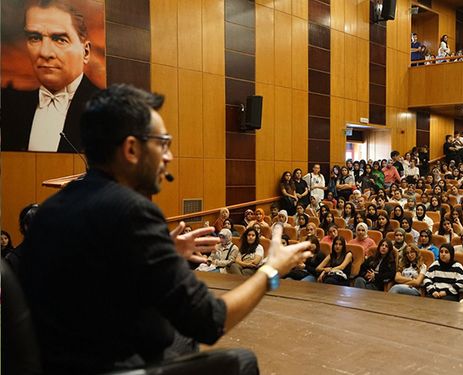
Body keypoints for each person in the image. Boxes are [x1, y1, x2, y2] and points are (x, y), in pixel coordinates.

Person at [19, 84, 311, 373]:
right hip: (113, 366)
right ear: (132, 148)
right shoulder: (132, 210)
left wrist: (162, 252)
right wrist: (271, 270)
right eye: (162, 143)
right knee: (240, 361)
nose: (168, 157)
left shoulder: (50, 211)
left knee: (181, 339)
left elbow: (89, 277)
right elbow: (210, 321)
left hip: (60, 363)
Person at [2, 0, 101, 152]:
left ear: (85, 52)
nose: (45, 53)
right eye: (35, 38)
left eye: (60, 39)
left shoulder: (106, 109)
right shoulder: (12, 108)